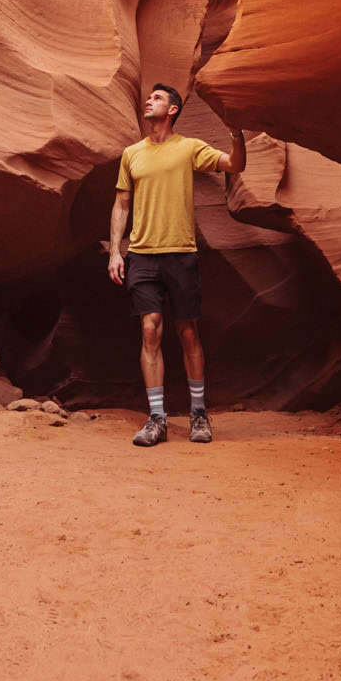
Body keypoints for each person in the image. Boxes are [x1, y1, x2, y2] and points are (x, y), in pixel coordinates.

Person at [106, 82, 245, 446]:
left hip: (181, 253)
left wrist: (237, 134)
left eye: (157, 98)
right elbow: (121, 204)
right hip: (142, 254)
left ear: (172, 110)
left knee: (187, 331)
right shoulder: (131, 154)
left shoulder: (189, 148)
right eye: (149, 97)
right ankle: (157, 419)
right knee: (150, 330)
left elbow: (234, 164)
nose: (149, 101)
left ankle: (199, 414)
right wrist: (115, 252)